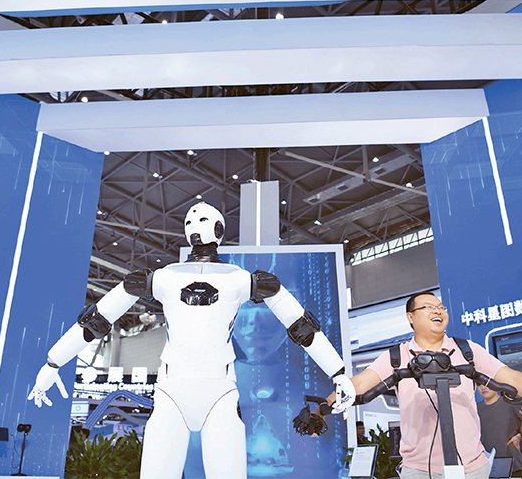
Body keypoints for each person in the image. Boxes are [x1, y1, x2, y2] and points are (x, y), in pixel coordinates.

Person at [27, 201, 355, 479]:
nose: (194, 225)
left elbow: (302, 327)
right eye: (190, 221)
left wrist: (53, 362)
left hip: (212, 395)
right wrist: (338, 373)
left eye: (198, 221)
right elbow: (97, 319)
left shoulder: (184, 279)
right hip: (182, 394)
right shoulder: (216, 279)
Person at [310, 292, 522, 479]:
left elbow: (510, 378)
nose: (438, 311)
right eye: (428, 307)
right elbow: (358, 384)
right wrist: (320, 410)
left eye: (441, 307)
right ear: (410, 317)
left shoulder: (467, 351)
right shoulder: (397, 356)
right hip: (418, 470)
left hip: (472, 468)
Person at [476, 385, 522, 479]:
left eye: (487, 383)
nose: (483, 387)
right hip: (486, 468)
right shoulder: (475, 408)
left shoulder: (511, 404)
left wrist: (520, 435)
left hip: (512, 466)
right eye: (479, 384)